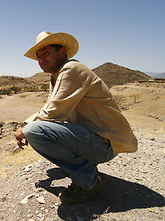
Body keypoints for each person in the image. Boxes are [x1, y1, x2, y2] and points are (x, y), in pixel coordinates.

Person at [14, 31, 138, 204]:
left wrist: (24, 129)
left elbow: (53, 112)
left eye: (46, 53)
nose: (41, 59)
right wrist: (25, 125)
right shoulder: (57, 76)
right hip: (97, 140)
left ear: (62, 51)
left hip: (105, 143)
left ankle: (89, 181)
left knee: (34, 131)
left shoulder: (72, 69)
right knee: (33, 130)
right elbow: (53, 109)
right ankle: (86, 169)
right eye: (39, 57)